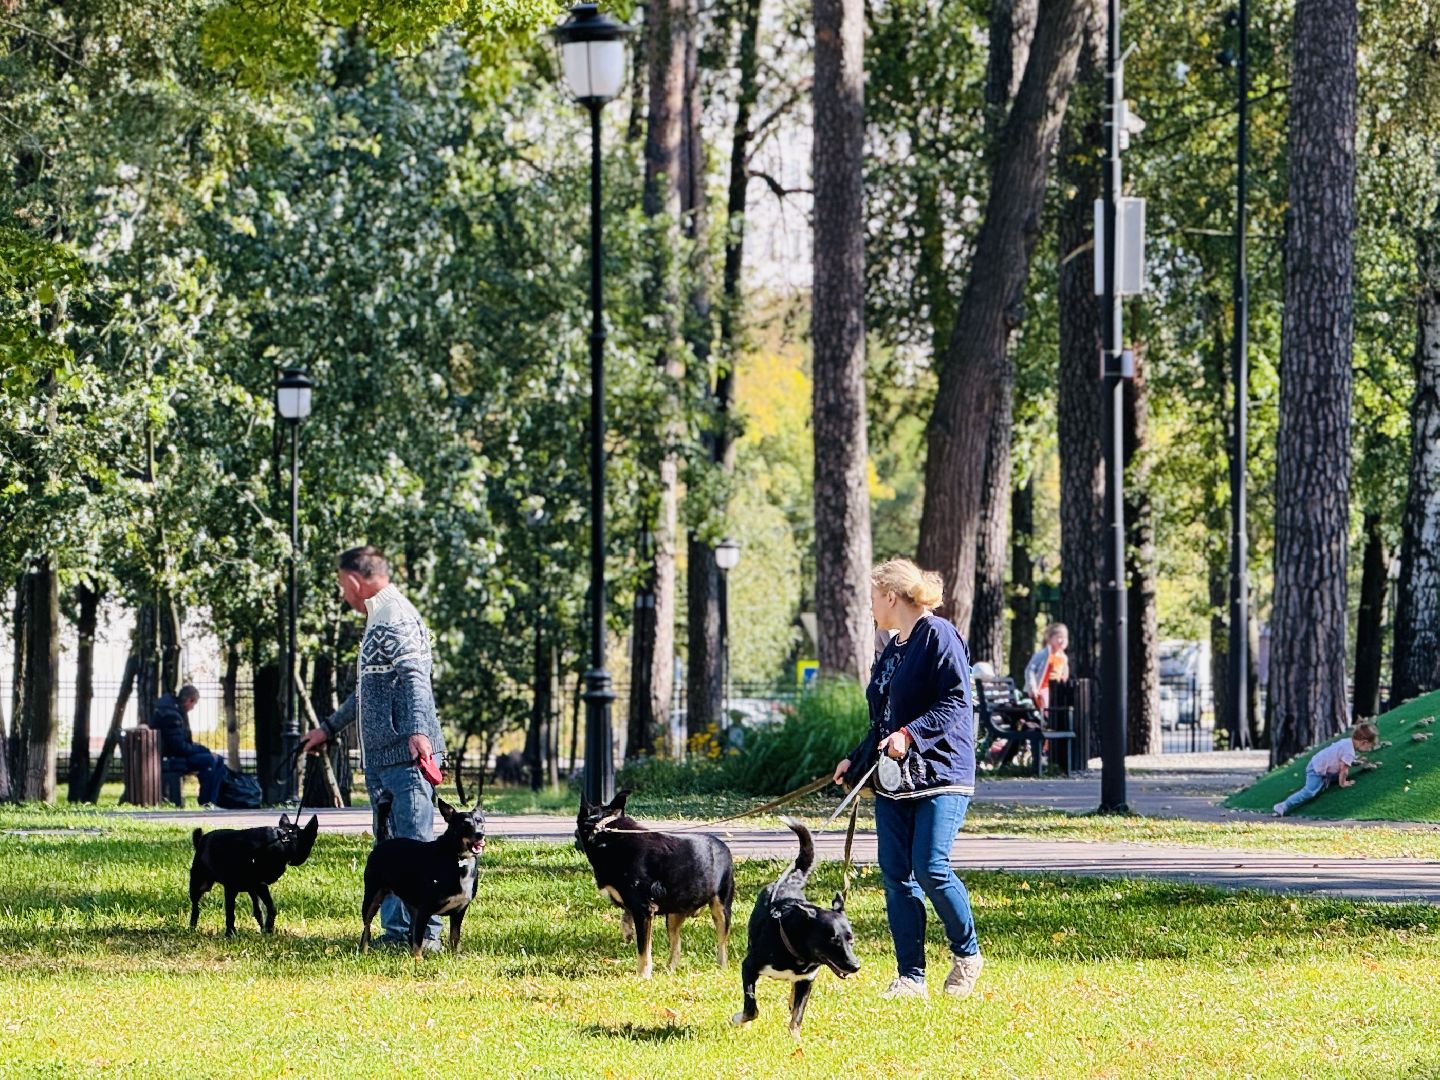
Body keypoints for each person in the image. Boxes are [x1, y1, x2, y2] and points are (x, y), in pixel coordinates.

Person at [832, 558, 982, 1001]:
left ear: (891, 596)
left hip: (941, 772)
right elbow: (883, 720)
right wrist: (856, 760)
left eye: (873, 597)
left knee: (930, 868)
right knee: (897, 874)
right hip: (894, 779)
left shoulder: (938, 635)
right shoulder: (890, 645)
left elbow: (957, 701)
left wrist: (910, 735)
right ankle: (911, 977)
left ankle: (967, 953)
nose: (870, 606)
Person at [300, 545, 447, 950]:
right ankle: (398, 933)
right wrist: (328, 729)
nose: (342, 594)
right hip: (387, 758)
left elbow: (415, 677)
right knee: (392, 852)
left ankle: (422, 938)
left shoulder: (393, 615)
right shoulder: (381, 615)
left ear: (353, 580)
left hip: (405, 755)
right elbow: (366, 692)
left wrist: (418, 732)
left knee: (414, 850)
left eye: (340, 585)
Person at [1273, 722, 1379, 816]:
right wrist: (1343, 783)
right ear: (1364, 742)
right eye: (1370, 746)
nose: (1369, 749)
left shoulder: (1347, 742)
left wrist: (1355, 761)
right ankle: (1283, 806)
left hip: (1319, 763)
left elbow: (1339, 757)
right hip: (1316, 770)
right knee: (1310, 792)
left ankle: (1325, 780)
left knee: (1333, 776)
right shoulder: (1349, 752)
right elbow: (1343, 770)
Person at [149, 685, 225, 806]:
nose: (192, 708)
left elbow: (181, 743)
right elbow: (179, 747)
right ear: (189, 700)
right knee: (211, 760)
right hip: (172, 759)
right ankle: (208, 802)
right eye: (193, 704)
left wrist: (203, 750)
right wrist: (204, 750)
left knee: (218, 759)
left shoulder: (173, 711)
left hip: (174, 756)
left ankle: (211, 802)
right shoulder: (172, 716)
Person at [1023, 622, 1069, 711]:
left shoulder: (1063, 657)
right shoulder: (1043, 654)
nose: (1063, 640)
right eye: (1059, 637)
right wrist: (1032, 687)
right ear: (1050, 639)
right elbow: (1030, 670)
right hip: (1043, 690)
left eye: (1065, 638)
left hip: (1056, 691)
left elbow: (1064, 675)